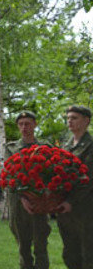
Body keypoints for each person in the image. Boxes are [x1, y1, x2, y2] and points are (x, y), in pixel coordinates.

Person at [5, 111, 51, 269]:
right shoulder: (11, 148)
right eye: (21, 124)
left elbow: (53, 173)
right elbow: (9, 177)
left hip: (40, 203)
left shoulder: (46, 148)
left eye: (28, 123)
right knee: (23, 247)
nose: (24, 127)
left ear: (35, 124)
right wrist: (23, 197)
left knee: (41, 245)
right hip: (19, 205)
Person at [55, 106, 93, 269]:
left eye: (74, 118)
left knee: (88, 252)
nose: (69, 121)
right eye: (68, 118)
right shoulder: (65, 146)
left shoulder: (90, 146)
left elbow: (88, 180)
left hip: (85, 208)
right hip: (65, 209)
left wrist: (71, 201)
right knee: (70, 252)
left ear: (86, 121)